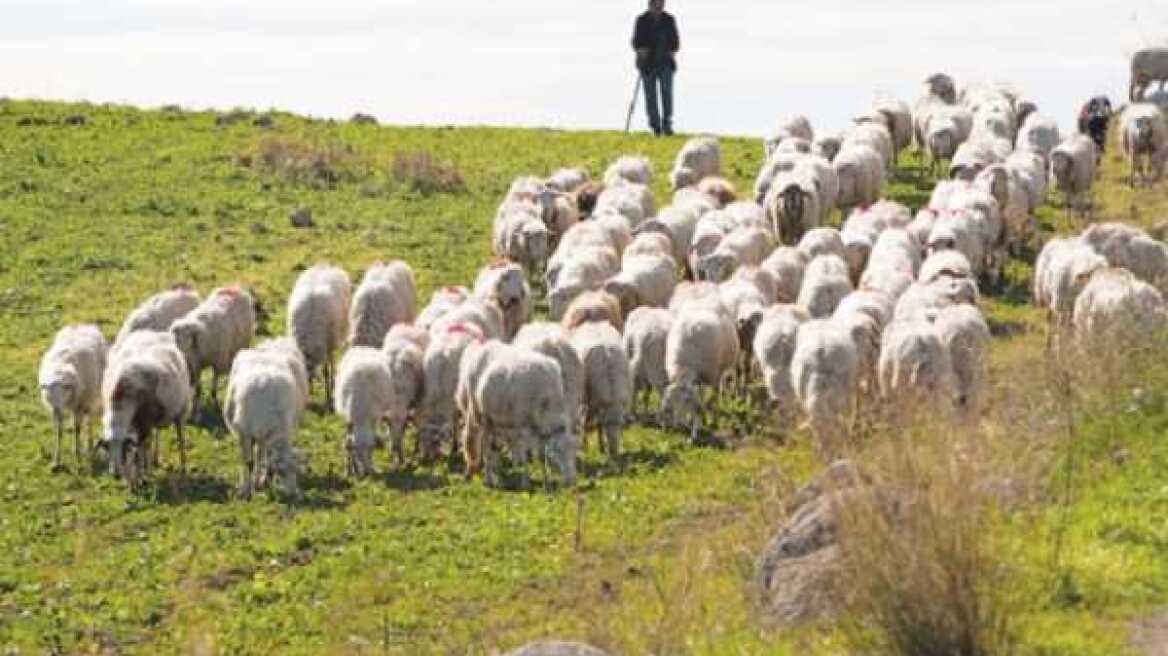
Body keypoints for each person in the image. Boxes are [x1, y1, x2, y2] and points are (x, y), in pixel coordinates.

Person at [631, 0, 679, 136]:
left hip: (665, 64)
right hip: (647, 64)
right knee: (650, 96)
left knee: (667, 95)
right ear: (650, 4)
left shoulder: (669, 20)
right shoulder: (641, 20)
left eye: (661, 3)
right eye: (656, 4)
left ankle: (667, 125)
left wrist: (671, 51)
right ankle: (655, 126)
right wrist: (641, 50)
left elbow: (676, 42)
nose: (659, 6)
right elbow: (635, 41)